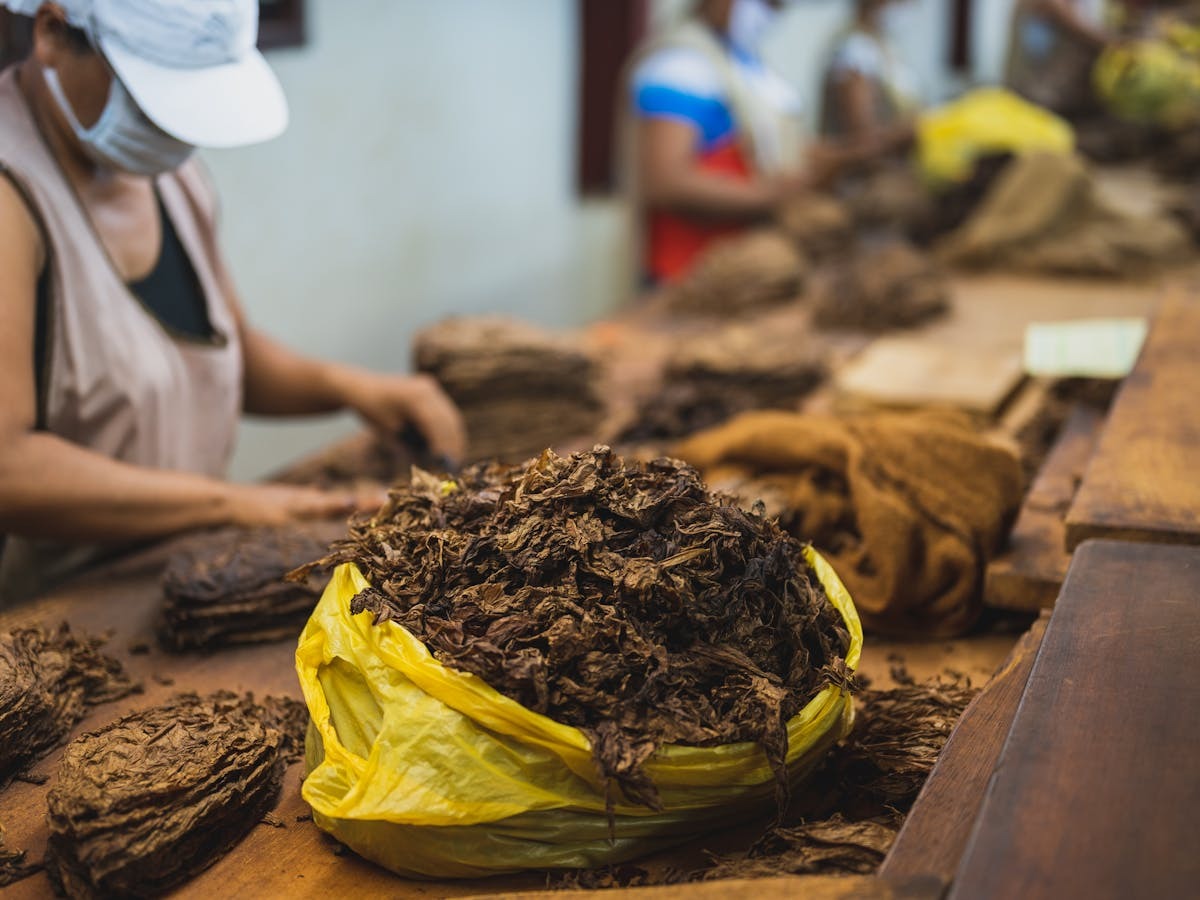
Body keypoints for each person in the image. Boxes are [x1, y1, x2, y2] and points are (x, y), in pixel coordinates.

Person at [0, 0, 466, 603]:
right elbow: (7, 467)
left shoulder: (164, 170)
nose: (171, 135)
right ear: (53, 33)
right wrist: (235, 502)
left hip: (174, 572)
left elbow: (223, 356)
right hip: (48, 608)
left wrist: (352, 388)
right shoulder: (13, 194)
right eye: (151, 102)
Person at [627, 0, 826, 285]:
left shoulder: (743, 61)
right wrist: (775, 196)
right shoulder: (681, 65)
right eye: (768, 3)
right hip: (691, 271)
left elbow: (768, 147)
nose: (773, 13)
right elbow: (666, 182)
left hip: (748, 263)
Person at [820, 0, 922, 154]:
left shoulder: (884, 46)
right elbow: (864, 138)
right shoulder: (855, 49)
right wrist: (920, 127)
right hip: (863, 175)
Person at [1007, 0, 1113, 118]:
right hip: (1040, 101)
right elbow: (1080, 31)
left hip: (1067, 104)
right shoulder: (1052, 4)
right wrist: (1121, 44)